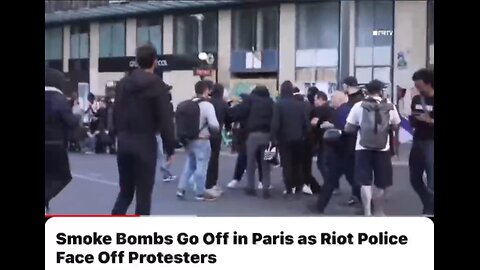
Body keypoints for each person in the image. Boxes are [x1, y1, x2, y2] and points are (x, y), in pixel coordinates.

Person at [111, 44, 176, 215]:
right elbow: (165, 119)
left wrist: (116, 134)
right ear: (155, 61)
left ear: (137, 61)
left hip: (124, 141)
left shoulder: (123, 84)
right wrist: (171, 147)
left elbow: (115, 110)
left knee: (125, 192)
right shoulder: (157, 85)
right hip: (145, 142)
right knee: (144, 195)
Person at [345, 80, 401, 216]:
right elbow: (396, 125)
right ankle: (379, 211)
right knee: (381, 182)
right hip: (383, 148)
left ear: (366, 92)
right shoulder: (390, 106)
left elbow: (348, 128)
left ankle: (367, 212)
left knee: (365, 181)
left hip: (362, 148)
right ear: (381, 91)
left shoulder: (359, 106)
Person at [311, 90, 358, 214]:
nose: (331, 101)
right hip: (349, 151)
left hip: (341, 151)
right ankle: (369, 204)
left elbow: (343, 130)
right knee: (353, 180)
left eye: (333, 99)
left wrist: (331, 127)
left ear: (340, 100)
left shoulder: (342, 112)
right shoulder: (347, 110)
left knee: (331, 181)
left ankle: (319, 206)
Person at [176, 80, 220, 201]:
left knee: (189, 165)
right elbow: (214, 125)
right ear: (206, 90)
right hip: (202, 140)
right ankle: (200, 192)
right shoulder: (207, 106)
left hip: (188, 140)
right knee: (202, 166)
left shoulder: (185, 104)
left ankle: (181, 189)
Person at [45, 68, 80, 214]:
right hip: (55, 144)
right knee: (63, 176)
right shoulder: (59, 99)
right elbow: (70, 121)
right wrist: (78, 115)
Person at [271, 81, 309, 200]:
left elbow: (275, 123)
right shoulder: (299, 104)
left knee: (286, 164)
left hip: (284, 139)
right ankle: (298, 186)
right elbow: (305, 123)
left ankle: (288, 189)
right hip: (299, 138)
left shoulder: (279, 104)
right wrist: (304, 135)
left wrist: (274, 138)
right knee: (297, 164)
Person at [235, 85, 274, 198]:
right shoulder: (271, 102)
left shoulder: (250, 100)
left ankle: (251, 187)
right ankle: (266, 187)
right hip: (268, 136)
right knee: (267, 163)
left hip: (253, 135)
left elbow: (240, 112)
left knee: (251, 163)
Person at [226, 93, 266, 189]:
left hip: (245, 135)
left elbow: (231, 114)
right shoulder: (262, 106)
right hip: (261, 134)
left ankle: (236, 179)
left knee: (242, 157)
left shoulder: (243, 107)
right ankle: (262, 181)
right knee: (261, 159)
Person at [409, 69, 434, 216]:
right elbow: (413, 117)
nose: (417, 89)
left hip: (432, 142)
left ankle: (429, 211)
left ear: (428, 83)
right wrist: (414, 119)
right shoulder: (417, 99)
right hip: (418, 140)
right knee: (414, 178)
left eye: (419, 85)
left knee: (432, 179)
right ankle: (428, 203)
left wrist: (430, 120)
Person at [293, 87, 323, 195]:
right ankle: (309, 185)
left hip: (298, 139)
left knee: (296, 163)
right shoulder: (309, 107)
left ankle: (300, 184)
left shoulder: (296, 106)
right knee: (306, 164)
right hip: (309, 140)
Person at [343, 76, 364, 205]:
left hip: (354, 138)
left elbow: (351, 120)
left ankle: (359, 195)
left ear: (347, 86)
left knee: (353, 168)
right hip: (357, 138)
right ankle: (358, 193)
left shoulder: (355, 101)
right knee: (354, 168)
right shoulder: (359, 98)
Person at [206, 83, 230, 194]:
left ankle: (204, 182)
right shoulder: (223, 104)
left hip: (205, 134)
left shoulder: (207, 102)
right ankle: (212, 183)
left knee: (204, 159)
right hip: (216, 134)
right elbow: (229, 118)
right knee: (214, 159)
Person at [309, 89, 334, 192]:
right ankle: (332, 184)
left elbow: (314, 123)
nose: (314, 102)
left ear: (320, 99)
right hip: (332, 139)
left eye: (315, 100)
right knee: (328, 163)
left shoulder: (320, 109)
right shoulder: (330, 109)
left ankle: (330, 184)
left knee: (321, 163)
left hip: (323, 139)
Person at [156, 84, 176, 182]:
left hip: (151, 131)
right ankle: (165, 170)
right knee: (160, 155)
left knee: (158, 155)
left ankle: (165, 172)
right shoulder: (167, 106)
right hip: (158, 132)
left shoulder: (155, 103)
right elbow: (167, 124)